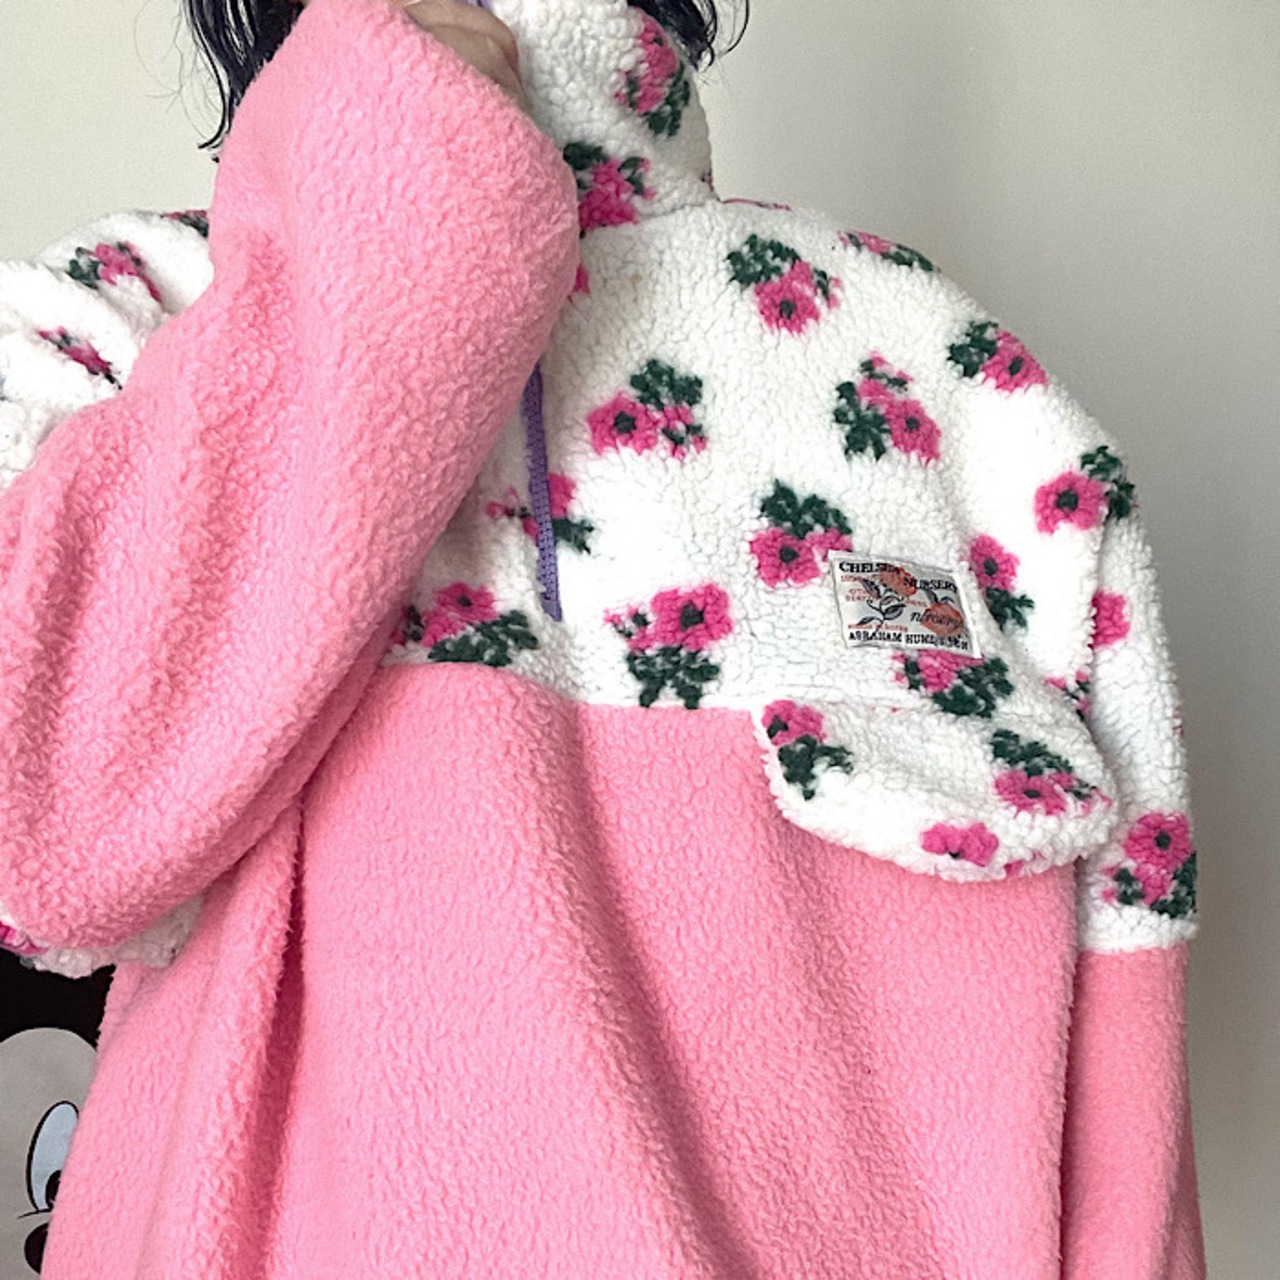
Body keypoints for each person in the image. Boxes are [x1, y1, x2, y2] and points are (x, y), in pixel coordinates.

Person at [0, 0, 1205, 1275]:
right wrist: (402, 175)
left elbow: (1123, 1167)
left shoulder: (959, 399)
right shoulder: (119, 326)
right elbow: (41, 844)